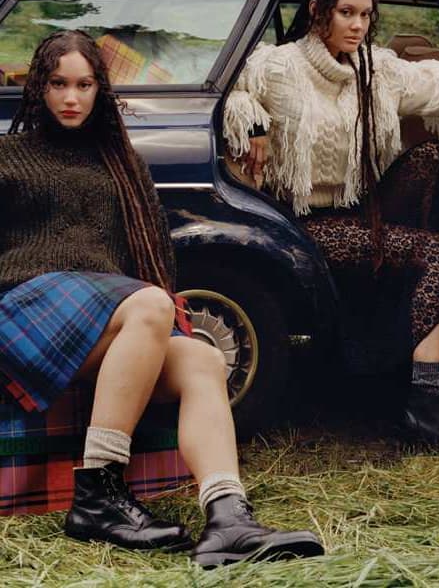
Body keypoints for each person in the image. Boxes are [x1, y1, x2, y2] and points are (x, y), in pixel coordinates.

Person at [0, 30, 323, 568]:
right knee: (150, 303)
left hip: (96, 320)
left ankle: (227, 516)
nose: (71, 97)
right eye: (58, 84)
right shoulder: (7, 156)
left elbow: (152, 261)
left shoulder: (121, 164)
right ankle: (99, 493)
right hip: (23, 310)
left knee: (202, 357)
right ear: (39, 87)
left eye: (83, 84)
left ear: (100, 91)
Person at [223, 0, 439, 444]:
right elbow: (227, 93)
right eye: (346, 13)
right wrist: (254, 124)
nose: (357, 25)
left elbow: (438, 81)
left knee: (435, 157)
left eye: (366, 15)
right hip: (300, 223)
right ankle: (425, 403)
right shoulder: (277, 66)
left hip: (360, 206)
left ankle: (400, 343)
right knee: (438, 254)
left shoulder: (378, 68)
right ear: (317, 12)